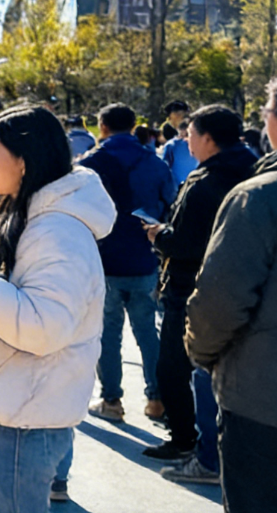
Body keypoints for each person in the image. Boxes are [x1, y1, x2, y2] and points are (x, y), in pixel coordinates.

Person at [0, 105, 116, 513]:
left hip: (17, 420)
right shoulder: (20, 213)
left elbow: (45, 329)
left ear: (23, 160)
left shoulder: (59, 230)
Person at [187, 67, 277, 512]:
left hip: (267, 402)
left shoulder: (261, 196)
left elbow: (219, 302)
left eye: (267, 112)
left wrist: (203, 357)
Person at [142, 104, 255, 477]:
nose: (186, 139)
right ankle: (210, 447)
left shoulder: (206, 182)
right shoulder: (251, 172)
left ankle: (189, 443)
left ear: (207, 138)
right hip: (235, 287)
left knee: (177, 367)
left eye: (189, 133)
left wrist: (160, 236)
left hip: (190, 287)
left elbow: (187, 243)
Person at [78, 103, 175, 424]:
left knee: (107, 332)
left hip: (103, 261)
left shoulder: (91, 164)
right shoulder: (154, 161)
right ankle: (157, 398)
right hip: (144, 259)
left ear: (101, 126)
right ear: (134, 127)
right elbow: (169, 203)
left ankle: (112, 400)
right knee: (147, 331)